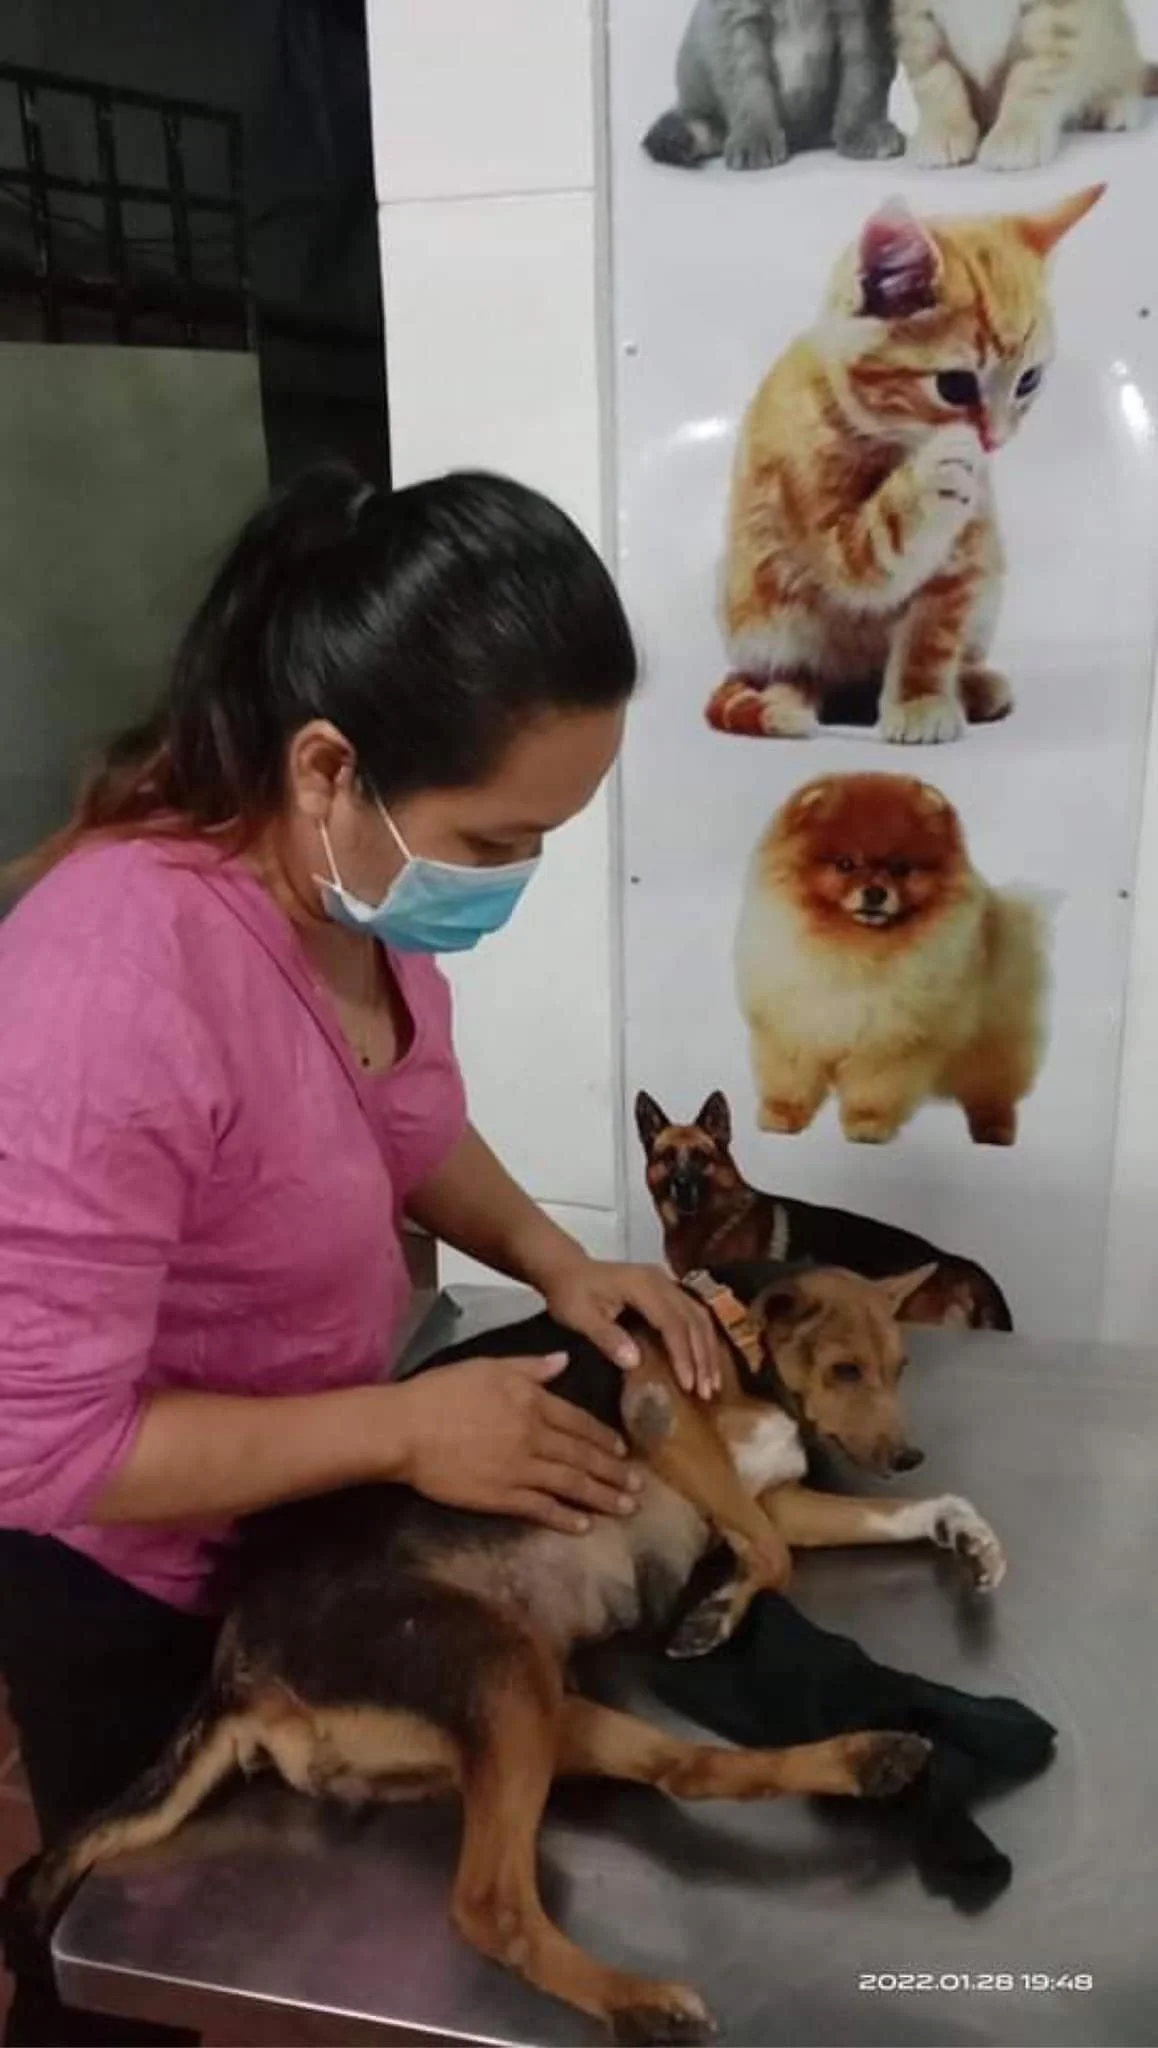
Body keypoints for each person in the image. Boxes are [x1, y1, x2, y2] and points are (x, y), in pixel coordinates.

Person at [0, 463, 719, 2046]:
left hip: (307, 1526)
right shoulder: (108, 986)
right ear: (329, 766)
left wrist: (550, 1255)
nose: (515, 876)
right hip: (132, 1586)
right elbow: (42, 1447)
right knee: (133, 1970)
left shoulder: (357, 909)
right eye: (498, 834)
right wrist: (405, 1425)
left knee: (318, 1961)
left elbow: (398, 1124)